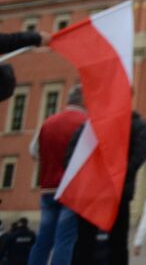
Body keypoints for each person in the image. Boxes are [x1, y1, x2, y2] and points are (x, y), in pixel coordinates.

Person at [69, 109, 146, 265]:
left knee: (84, 243)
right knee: (117, 244)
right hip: (115, 192)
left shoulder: (90, 123)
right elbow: (139, 155)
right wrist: (120, 175)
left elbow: (71, 157)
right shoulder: (135, 124)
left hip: (93, 192)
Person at [27, 84, 85, 265]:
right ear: (84, 100)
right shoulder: (85, 123)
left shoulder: (48, 122)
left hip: (48, 189)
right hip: (72, 191)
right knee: (64, 241)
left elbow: (33, 151)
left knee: (43, 240)